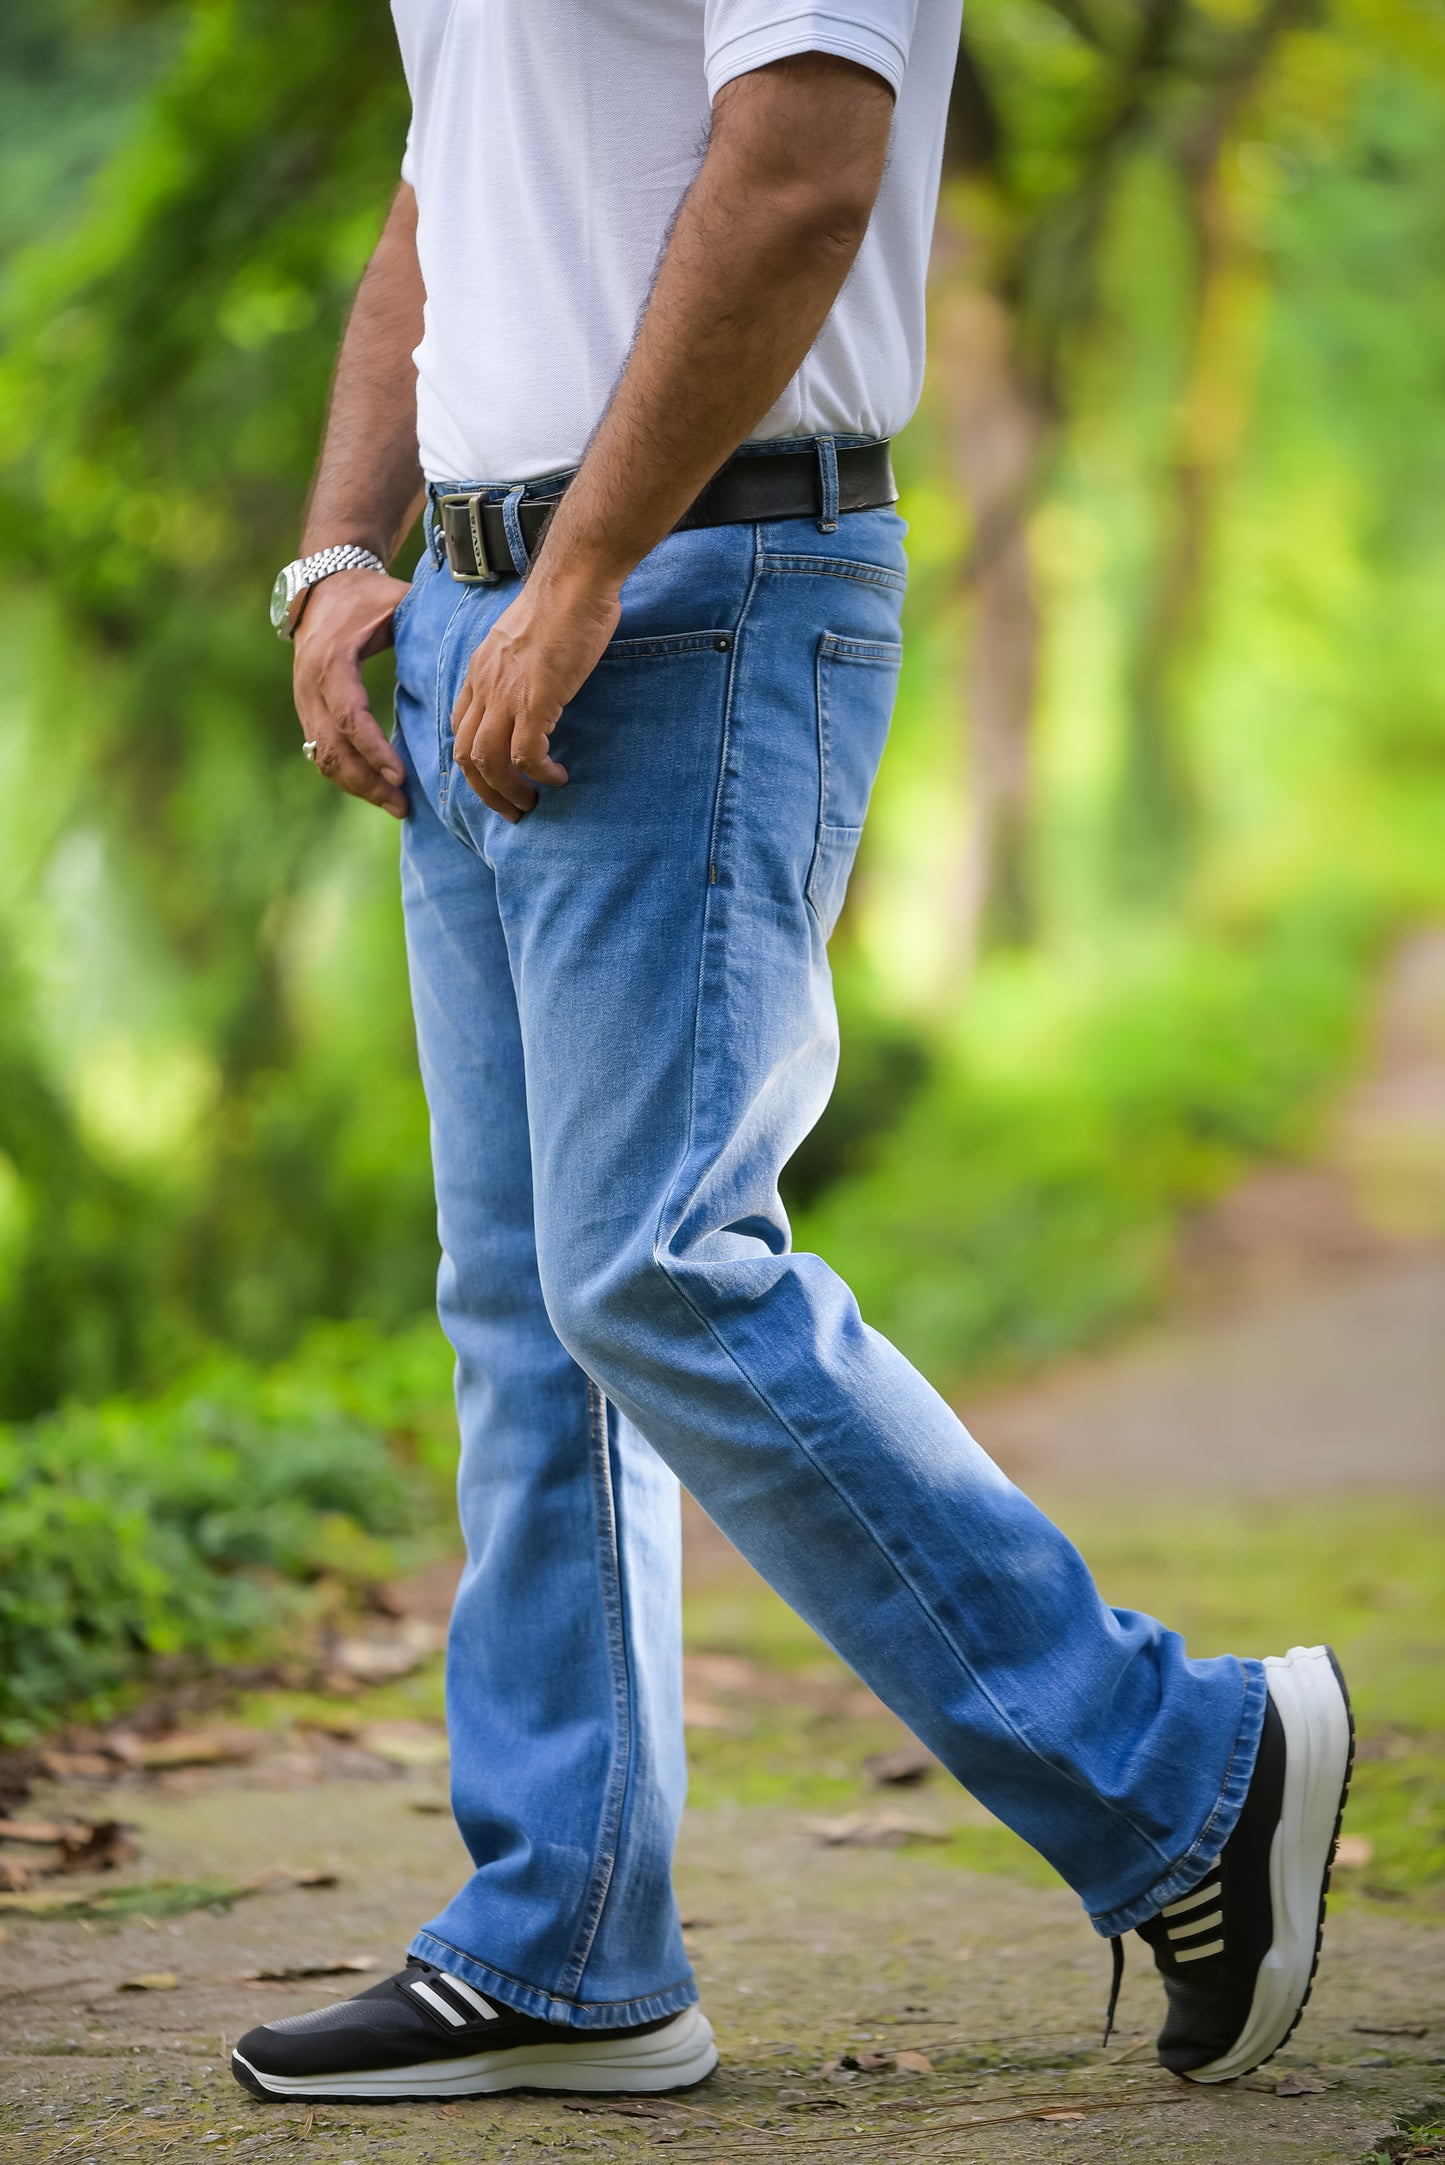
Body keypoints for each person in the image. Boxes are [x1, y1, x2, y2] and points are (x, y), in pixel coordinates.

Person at [234, 0, 1352, 2108]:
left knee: (655, 1257)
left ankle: (1185, 1770)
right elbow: (438, 193)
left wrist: (580, 572)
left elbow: (806, 161)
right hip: (478, 596)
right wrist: (337, 549)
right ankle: (565, 1940)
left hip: (695, 582)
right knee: (531, 1311)